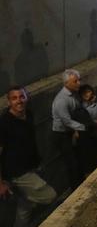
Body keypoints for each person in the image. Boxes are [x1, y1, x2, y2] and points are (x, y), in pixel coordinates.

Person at [0, 86, 57, 227]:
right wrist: (0, 182)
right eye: (14, 98)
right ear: (9, 102)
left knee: (25, 208)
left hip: (31, 167)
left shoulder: (29, 115)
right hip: (17, 173)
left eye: (22, 96)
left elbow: (30, 142)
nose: (19, 101)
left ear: (26, 98)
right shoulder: (4, 123)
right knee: (50, 195)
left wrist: (38, 162)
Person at [51, 69, 86, 189]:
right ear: (66, 83)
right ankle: (75, 188)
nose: (78, 83)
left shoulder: (73, 94)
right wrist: (84, 127)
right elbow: (66, 121)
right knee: (71, 163)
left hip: (70, 131)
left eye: (78, 80)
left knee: (77, 159)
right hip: (62, 134)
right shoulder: (62, 100)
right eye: (75, 81)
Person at [78, 84, 97, 173]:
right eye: (84, 93)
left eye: (88, 92)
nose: (87, 94)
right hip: (89, 133)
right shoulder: (81, 108)